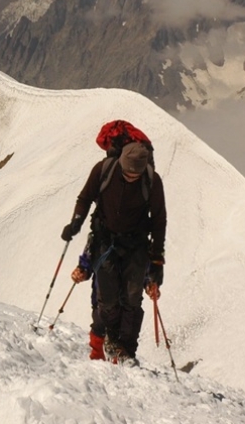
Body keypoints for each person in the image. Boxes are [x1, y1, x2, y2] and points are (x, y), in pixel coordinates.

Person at [62, 141, 166, 364]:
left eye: (135, 175)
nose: (130, 177)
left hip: (136, 245)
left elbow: (159, 220)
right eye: (127, 173)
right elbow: (85, 198)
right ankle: (112, 341)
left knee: (132, 300)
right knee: (107, 298)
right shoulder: (104, 170)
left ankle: (126, 351)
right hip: (105, 241)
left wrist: (157, 260)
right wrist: (76, 222)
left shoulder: (152, 180)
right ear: (120, 164)